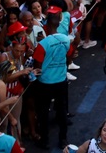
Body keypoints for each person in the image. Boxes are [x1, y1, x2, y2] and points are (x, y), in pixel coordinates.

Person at [32, 12, 72, 149]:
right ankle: (63, 139)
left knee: (43, 113)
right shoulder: (66, 39)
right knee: (62, 110)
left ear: (46, 25)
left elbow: (37, 65)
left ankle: (45, 140)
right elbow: (69, 55)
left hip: (45, 82)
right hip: (61, 80)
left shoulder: (42, 44)